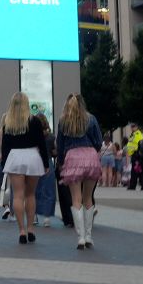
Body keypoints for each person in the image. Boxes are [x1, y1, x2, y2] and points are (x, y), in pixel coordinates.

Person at [0, 92, 49, 244]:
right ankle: (31, 229)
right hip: (33, 156)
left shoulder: (8, 122)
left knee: (18, 195)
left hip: (15, 157)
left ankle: (21, 231)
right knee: (30, 195)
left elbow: (5, 146)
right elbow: (41, 143)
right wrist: (46, 163)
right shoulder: (35, 121)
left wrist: (4, 163)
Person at [56, 94, 103, 248]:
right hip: (90, 156)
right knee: (88, 197)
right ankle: (89, 236)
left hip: (72, 157)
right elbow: (98, 142)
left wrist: (61, 162)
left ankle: (80, 237)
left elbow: (60, 145)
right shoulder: (91, 119)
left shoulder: (63, 121)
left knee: (76, 198)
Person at [124, 123, 142, 190]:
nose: (132, 128)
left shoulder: (138, 134)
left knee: (137, 170)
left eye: (133, 126)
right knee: (136, 170)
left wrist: (138, 152)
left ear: (137, 127)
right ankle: (134, 185)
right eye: (131, 126)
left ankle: (134, 185)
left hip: (137, 153)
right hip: (133, 154)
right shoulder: (133, 134)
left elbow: (140, 143)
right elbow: (130, 144)